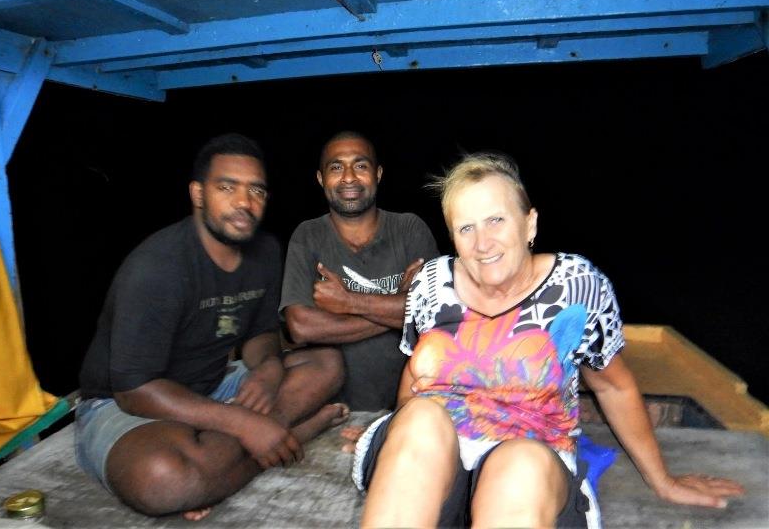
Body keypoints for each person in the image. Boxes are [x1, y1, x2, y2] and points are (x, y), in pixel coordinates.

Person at [352, 152, 744, 528]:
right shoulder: (432, 283)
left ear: (530, 224)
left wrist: (664, 481)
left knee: (518, 467)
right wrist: (399, 428)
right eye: (465, 227)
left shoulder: (576, 286)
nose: (482, 243)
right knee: (420, 421)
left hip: (532, 460)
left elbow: (612, 385)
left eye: (496, 220)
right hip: (431, 460)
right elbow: (418, 372)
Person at [75, 133, 346, 520]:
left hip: (212, 383)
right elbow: (134, 390)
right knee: (162, 479)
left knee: (326, 364)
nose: (244, 202)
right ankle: (289, 436)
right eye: (227, 187)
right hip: (126, 403)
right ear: (198, 194)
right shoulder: (157, 266)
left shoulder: (265, 251)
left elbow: (259, 336)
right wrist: (242, 422)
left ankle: (232, 462)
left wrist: (268, 370)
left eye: (256, 191)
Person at [280, 131, 440, 411]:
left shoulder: (409, 229)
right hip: (333, 410)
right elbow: (301, 327)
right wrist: (401, 307)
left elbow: (437, 313)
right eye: (336, 167)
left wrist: (348, 302)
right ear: (321, 179)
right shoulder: (307, 236)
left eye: (361, 165)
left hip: (410, 404)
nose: (349, 177)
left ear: (378, 174)